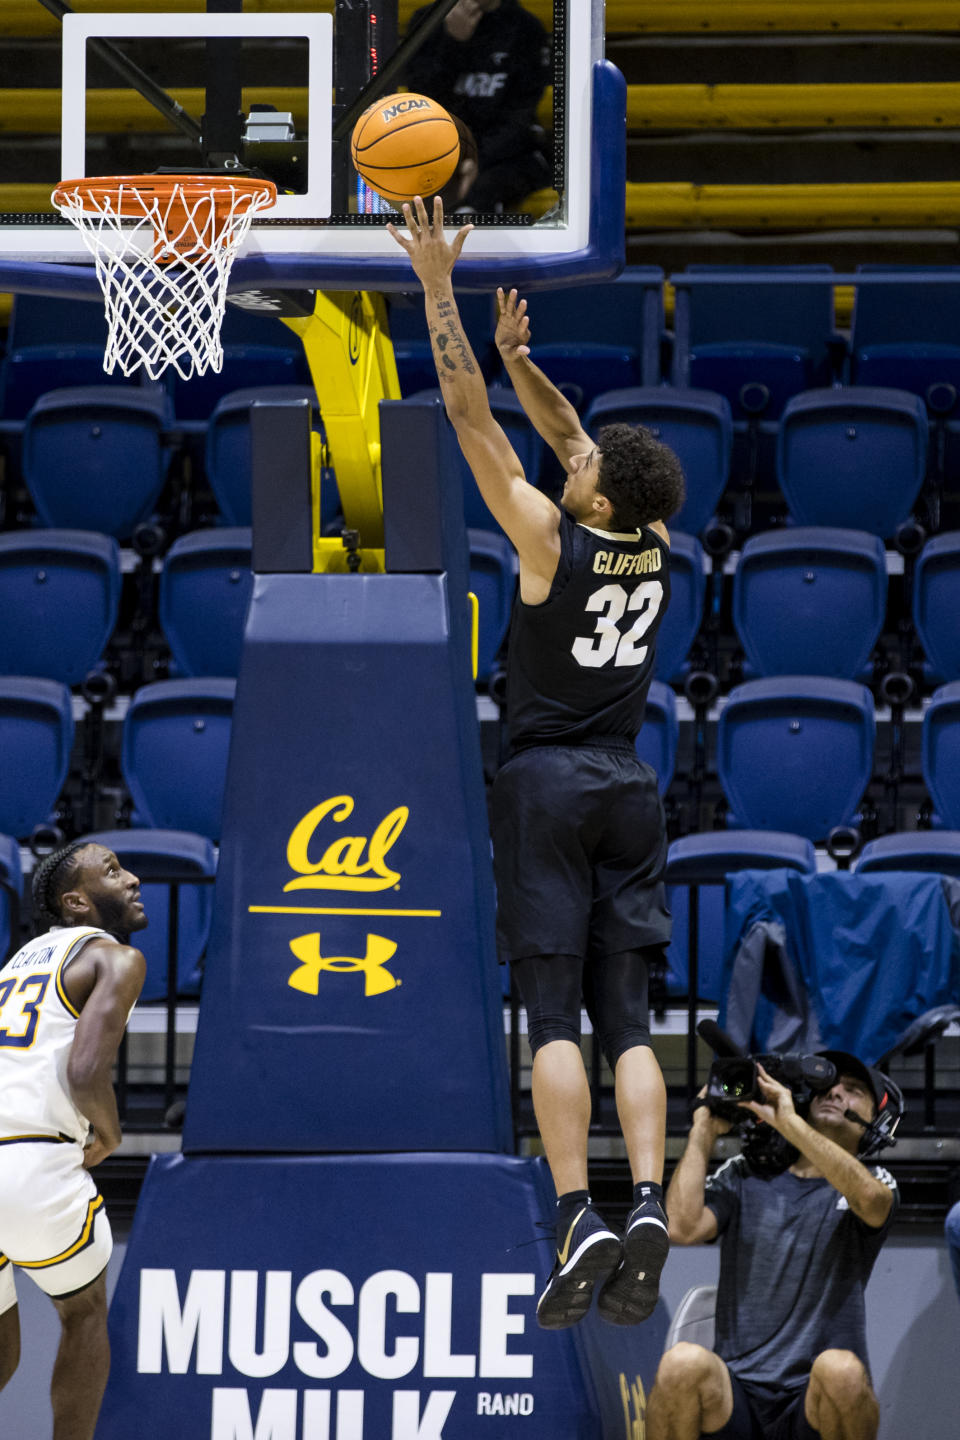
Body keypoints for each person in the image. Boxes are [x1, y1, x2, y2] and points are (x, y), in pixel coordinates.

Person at [388, 195, 686, 1330]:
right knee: (630, 1020)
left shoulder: (549, 537)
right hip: (628, 785)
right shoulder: (653, 540)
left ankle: (578, 1214)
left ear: (594, 498)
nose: (578, 457)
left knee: (553, 1017)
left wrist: (438, 296)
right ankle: (649, 1198)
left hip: (548, 780)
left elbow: (468, 419)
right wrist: (528, 358)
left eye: (587, 465)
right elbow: (576, 440)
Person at [647, 1053, 902, 1440]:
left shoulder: (873, 1179)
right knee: (681, 1363)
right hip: (737, 1397)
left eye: (853, 1091)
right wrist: (704, 1128)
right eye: (826, 1087)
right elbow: (681, 1228)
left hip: (812, 1401)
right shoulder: (744, 1174)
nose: (834, 1093)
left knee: (842, 1370)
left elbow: (872, 1202)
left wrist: (791, 1124)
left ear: (874, 1122)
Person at [0, 841, 147, 1440]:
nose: (133, 878)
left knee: (2, 1348)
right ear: (76, 901)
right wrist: (110, 1131)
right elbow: (84, 1073)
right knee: (83, 1314)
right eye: (112, 871)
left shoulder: (12, 967)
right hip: (32, 1160)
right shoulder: (115, 958)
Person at [403, 0, 552, 213]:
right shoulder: (426, 22)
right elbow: (423, 102)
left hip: (508, 153)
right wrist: (453, 43)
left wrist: (475, 158)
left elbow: (519, 116)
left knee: (484, 189)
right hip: (441, 148)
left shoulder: (526, 28)